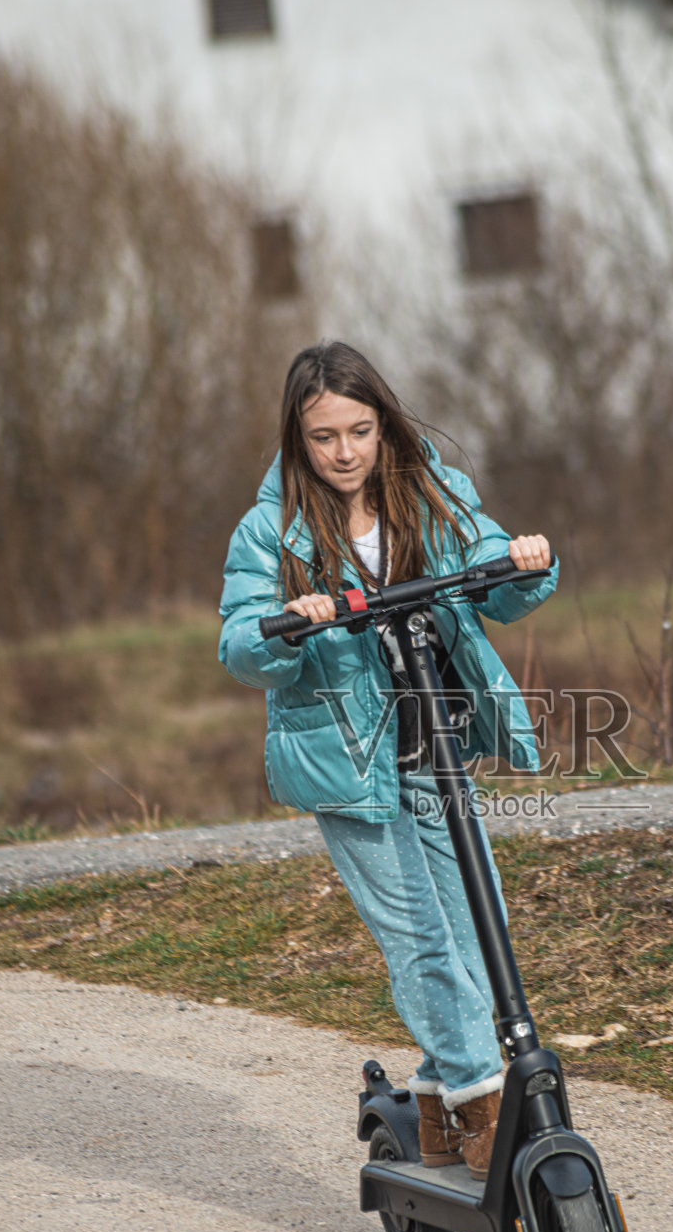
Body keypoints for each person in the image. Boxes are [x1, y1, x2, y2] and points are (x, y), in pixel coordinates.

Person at [219, 341, 556, 1180]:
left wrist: (522, 563)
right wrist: (287, 625)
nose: (344, 452)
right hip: (349, 765)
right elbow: (237, 643)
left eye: (360, 431)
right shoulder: (273, 530)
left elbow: (493, 582)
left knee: (484, 929)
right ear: (298, 440)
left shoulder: (432, 493)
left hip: (435, 749)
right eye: (324, 436)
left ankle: (439, 1105)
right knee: (422, 942)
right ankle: (484, 1102)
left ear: (384, 423)